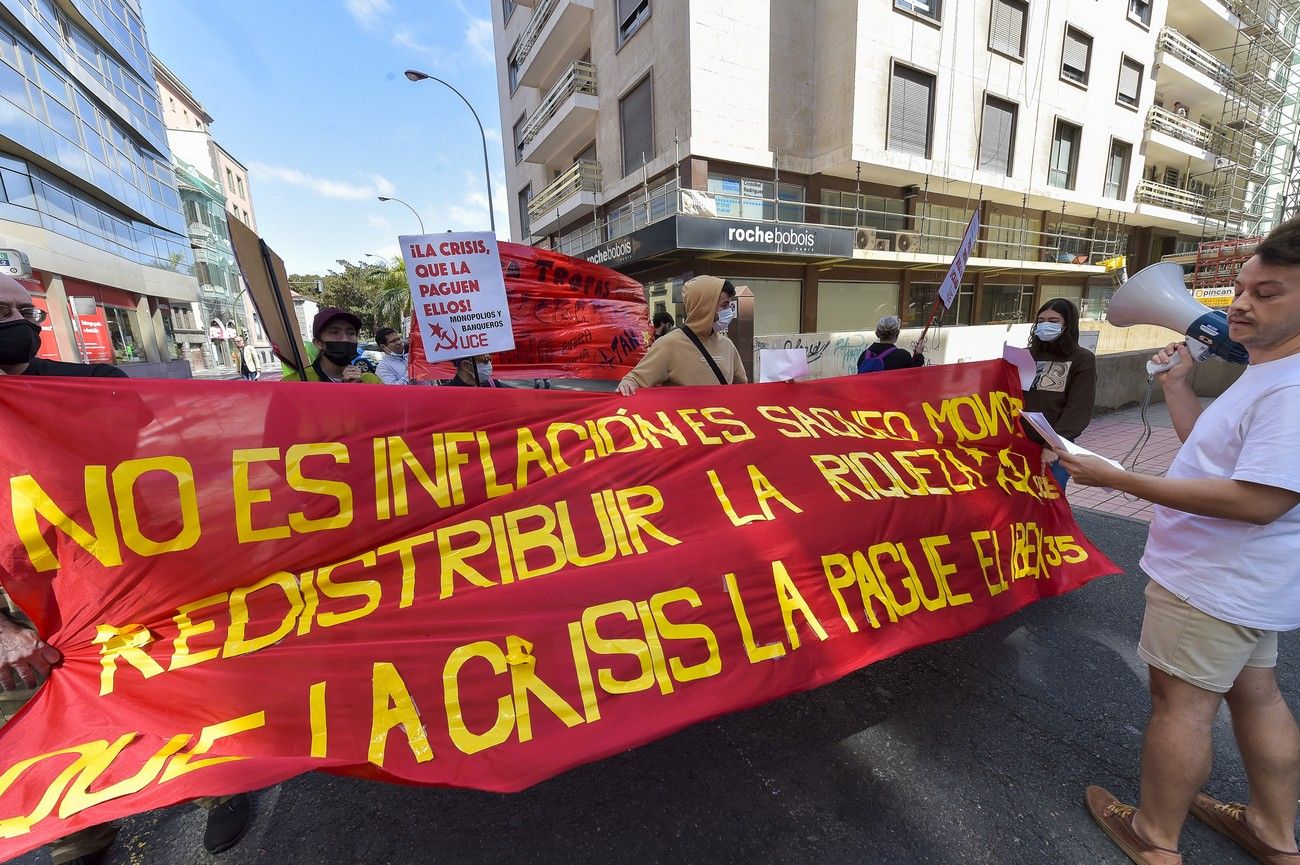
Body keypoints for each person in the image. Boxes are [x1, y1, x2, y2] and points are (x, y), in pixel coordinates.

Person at [1060, 216, 1300, 865]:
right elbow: (1217, 460)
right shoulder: (1273, 373)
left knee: (1180, 704)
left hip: (1213, 579)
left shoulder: (1292, 387)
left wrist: (1119, 478)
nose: (1241, 303)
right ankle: (1273, 831)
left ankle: (1153, 835)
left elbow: (1260, 499)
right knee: (1257, 695)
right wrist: (1177, 386)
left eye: (1268, 291)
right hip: (1248, 582)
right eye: (1242, 287)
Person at [0, 274, 252, 863]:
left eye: (26, 312)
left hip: (117, 577)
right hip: (20, 605)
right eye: (2, 311)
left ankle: (217, 785)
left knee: (178, 682)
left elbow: (149, 472)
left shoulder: (92, 384)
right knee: (51, 719)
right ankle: (80, 834)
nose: (20, 324)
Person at [618, 276, 748, 394]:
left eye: (730, 305)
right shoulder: (669, 345)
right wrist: (629, 383)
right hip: (686, 420)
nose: (729, 311)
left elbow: (742, 386)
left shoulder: (727, 345)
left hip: (722, 419)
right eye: (724, 305)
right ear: (704, 307)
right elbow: (636, 379)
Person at [1023, 298, 1096, 491]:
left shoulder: (1082, 359)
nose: (1046, 325)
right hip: (1019, 441)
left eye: (1053, 321)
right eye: (1041, 320)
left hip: (1055, 444)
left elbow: (1078, 408)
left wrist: (1051, 445)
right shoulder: (1025, 355)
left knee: (1049, 498)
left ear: (1067, 324)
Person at [282, 307, 380, 383]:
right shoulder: (295, 383)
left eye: (351, 333)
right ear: (318, 343)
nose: (345, 339)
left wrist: (359, 390)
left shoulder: (371, 381)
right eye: (334, 332)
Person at [855, 314, 924, 372]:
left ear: (877, 333)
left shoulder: (864, 356)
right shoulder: (902, 356)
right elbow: (915, 374)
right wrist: (918, 355)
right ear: (897, 333)